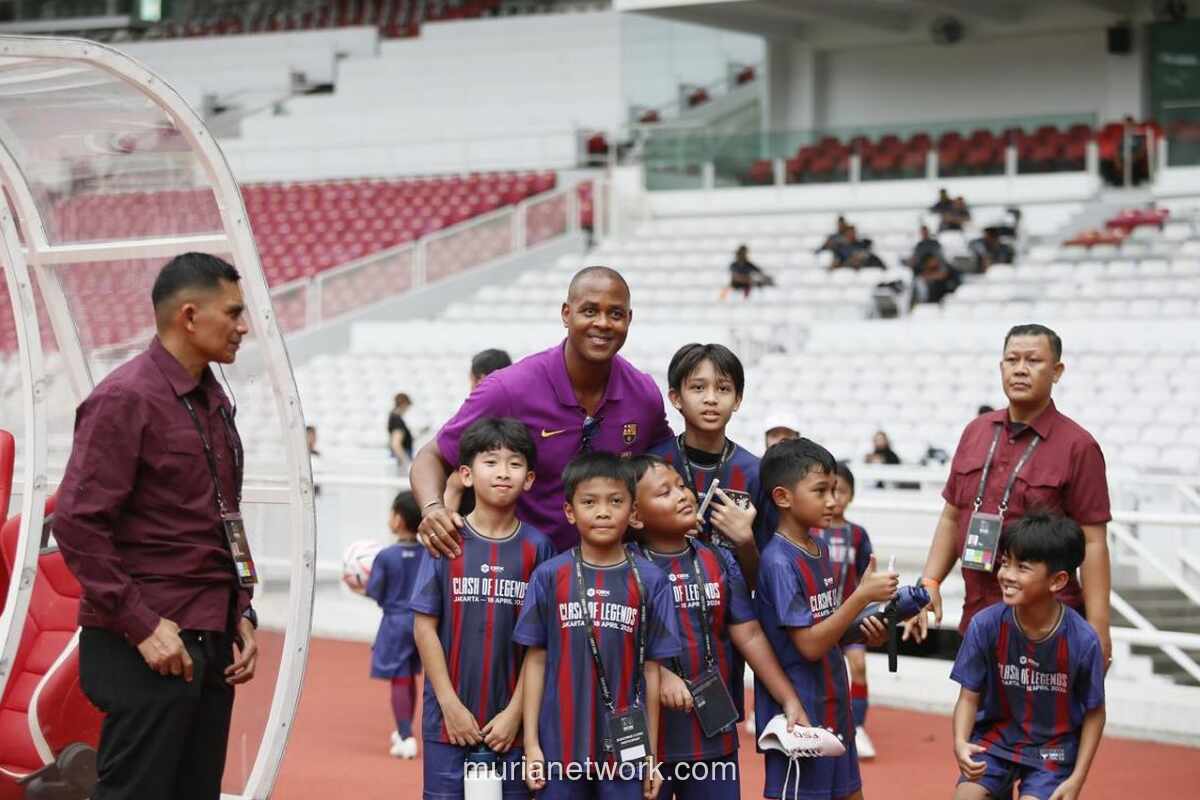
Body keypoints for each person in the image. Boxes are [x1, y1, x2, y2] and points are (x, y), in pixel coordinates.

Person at [54, 252, 259, 800]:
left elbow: (221, 515)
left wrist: (241, 610)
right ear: (189, 316)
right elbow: (76, 523)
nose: (244, 327)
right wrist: (143, 625)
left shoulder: (215, 400)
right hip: (146, 642)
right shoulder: (125, 398)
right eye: (234, 313)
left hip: (207, 635)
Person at [412, 266, 672, 557]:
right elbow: (431, 456)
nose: (603, 323)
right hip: (521, 577)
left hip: (608, 584)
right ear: (566, 314)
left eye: (615, 314)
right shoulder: (508, 389)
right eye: (589, 311)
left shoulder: (644, 394)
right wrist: (433, 509)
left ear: (629, 319)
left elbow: (668, 469)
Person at [904, 324, 1113, 670]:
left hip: (1046, 623)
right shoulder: (975, 431)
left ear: (1057, 371)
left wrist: (1099, 626)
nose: (1020, 368)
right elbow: (952, 516)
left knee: (1045, 723)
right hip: (978, 617)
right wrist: (929, 583)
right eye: (1011, 359)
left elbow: (1093, 542)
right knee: (976, 717)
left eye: (1033, 360)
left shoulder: (1079, 446)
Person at [629, 455, 808, 800]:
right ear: (635, 516)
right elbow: (611, 645)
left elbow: (750, 633)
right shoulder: (624, 567)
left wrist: (788, 698)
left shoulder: (718, 559)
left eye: (682, 486)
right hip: (647, 741)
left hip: (712, 732)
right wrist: (661, 674)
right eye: (664, 492)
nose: (682, 495)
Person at [515, 452, 680, 800]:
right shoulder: (549, 576)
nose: (603, 511)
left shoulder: (651, 580)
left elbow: (652, 671)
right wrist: (531, 744)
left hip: (626, 752)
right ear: (570, 511)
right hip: (558, 747)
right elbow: (536, 660)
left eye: (616, 501)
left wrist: (650, 755)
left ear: (633, 513)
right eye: (590, 502)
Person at [410, 418, 554, 797]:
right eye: (490, 462)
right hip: (447, 722)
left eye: (515, 463)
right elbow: (424, 626)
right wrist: (449, 705)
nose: (503, 473)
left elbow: (540, 645)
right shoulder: (446, 538)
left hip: (512, 728)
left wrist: (515, 715)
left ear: (530, 479)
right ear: (466, 474)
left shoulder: (538, 548)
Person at [754, 438, 897, 800]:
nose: (834, 500)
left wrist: (863, 632)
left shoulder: (816, 548)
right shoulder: (778, 562)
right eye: (821, 491)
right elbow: (810, 644)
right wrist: (861, 596)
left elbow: (828, 628)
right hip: (801, 716)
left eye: (835, 490)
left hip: (835, 702)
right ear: (783, 497)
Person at [950, 513, 1106, 800]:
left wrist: (1077, 779)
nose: (1006, 574)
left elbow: (1095, 713)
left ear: (1057, 581)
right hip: (993, 743)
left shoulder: (1083, 640)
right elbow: (968, 696)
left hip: (1052, 751)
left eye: (1021, 567)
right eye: (1005, 562)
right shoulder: (985, 624)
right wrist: (960, 742)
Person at [651, 343, 773, 582]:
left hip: (734, 613)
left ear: (737, 400)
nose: (711, 399)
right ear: (676, 398)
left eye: (723, 389)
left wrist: (745, 541)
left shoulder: (756, 472)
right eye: (698, 388)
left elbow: (767, 579)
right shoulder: (652, 465)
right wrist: (665, 536)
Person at [811, 464, 876, 760]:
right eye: (830, 490)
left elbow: (867, 575)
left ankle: (858, 727)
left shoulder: (859, 534)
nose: (835, 498)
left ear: (851, 496)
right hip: (820, 620)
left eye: (842, 491)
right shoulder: (810, 530)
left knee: (858, 667)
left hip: (851, 618)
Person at [366, 490, 426, 759]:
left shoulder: (386, 556)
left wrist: (356, 585)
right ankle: (404, 729)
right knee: (410, 675)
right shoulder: (429, 553)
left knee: (399, 677)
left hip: (395, 621)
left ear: (399, 519)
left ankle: (405, 735)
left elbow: (375, 591)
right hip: (422, 622)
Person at [454, 348, 517, 516]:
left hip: (474, 514)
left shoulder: (472, 418)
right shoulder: (524, 416)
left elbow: (454, 483)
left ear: (480, 379)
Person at [389, 392, 415, 462]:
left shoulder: (394, 417)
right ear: (404, 404)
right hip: (401, 459)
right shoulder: (397, 420)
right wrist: (406, 461)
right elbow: (396, 444)